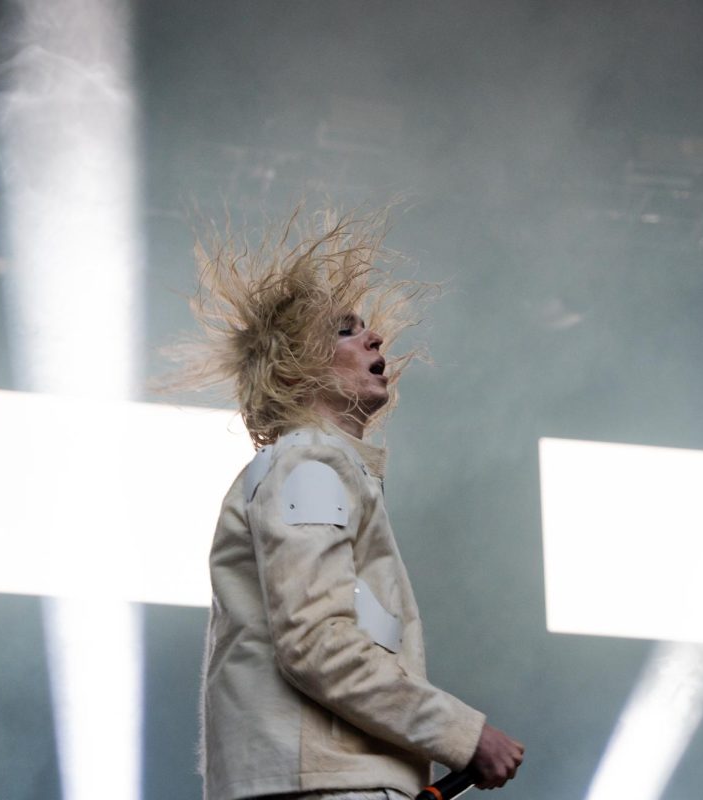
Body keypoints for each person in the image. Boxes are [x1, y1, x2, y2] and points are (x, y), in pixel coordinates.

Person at [171, 209, 524, 800]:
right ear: (294, 372)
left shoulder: (315, 468)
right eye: (343, 331)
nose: (374, 338)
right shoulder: (309, 463)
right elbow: (315, 640)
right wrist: (465, 735)